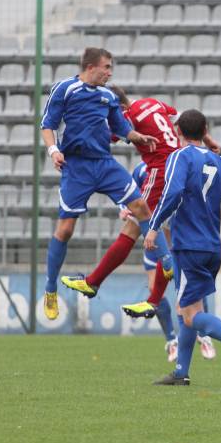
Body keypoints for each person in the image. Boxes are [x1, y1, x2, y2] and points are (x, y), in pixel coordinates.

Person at [60, 87, 218, 310]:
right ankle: (153, 300)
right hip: (183, 168)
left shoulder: (126, 117)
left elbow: (105, 138)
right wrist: (208, 139)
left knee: (132, 228)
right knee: (167, 234)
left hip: (161, 172)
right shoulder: (153, 103)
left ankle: (93, 282)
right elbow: (182, 117)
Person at [38, 48, 158, 320]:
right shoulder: (65, 89)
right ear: (90, 67)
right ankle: (50, 288)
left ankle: (169, 264)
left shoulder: (107, 96)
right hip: (76, 166)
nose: (110, 72)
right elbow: (48, 124)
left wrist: (136, 136)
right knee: (66, 230)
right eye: (106, 67)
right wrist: (53, 150)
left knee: (141, 207)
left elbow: (119, 127)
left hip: (104, 163)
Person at [146, 109, 221, 386]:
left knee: (190, 314)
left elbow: (171, 193)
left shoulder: (179, 157)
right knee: (186, 309)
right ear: (205, 129)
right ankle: (181, 373)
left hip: (188, 246)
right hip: (211, 248)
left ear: (177, 133)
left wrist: (153, 226)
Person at [118, 161, 217, 362]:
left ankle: (204, 336)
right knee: (155, 288)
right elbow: (128, 195)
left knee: (193, 289)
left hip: (180, 243)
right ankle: (171, 341)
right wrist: (124, 209)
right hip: (154, 244)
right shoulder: (141, 170)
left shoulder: (180, 167)